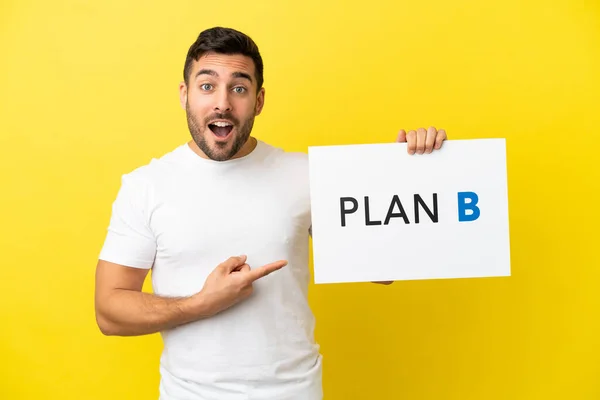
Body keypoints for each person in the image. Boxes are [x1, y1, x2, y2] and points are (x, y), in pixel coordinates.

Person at [94, 26, 447, 400]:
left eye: (239, 88)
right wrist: (202, 303)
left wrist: (406, 175)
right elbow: (110, 311)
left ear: (259, 100)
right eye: (207, 86)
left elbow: (382, 272)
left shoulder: (306, 173)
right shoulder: (145, 186)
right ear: (184, 95)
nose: (223, 103)